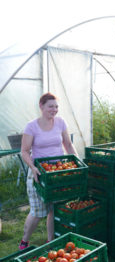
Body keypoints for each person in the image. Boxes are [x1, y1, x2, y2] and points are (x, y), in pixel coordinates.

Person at [19, 92, 78, 250]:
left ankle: (50, 241)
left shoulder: (60, 122)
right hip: (39, 173)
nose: (54, 110)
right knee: (38, 212)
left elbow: (68, 145)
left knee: (53, 209)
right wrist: (33, 167)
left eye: (56, 106)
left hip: (58, 172)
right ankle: (24, 241)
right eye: (50, 106)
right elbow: (24, 151)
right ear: (41, 106)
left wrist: (77, 161)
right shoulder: (32, 126)